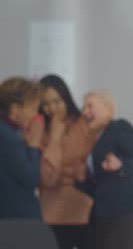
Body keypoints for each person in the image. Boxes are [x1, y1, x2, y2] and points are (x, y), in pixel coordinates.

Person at [82, 91, 133, 249]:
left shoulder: (119, 127)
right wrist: (81, 180)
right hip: (102, 215)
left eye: (90, 106)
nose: (85, 112)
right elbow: (100, 184)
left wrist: (121, 165)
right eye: (83, 107)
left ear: (108, 108)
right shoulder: (95, 139)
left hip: (124, 214)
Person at [38, 75, 95, 249]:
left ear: (66, 98)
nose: (52, 108)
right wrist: (55, 138)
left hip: (84, 207)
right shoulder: (39, 129)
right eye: (46, 104)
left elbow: (90, 166)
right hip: (51, 211)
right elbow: (47, 177)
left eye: (57, 101)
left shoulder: (84, 124)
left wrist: (64, 171)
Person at [0, 77, 44, 221]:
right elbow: (31, 179)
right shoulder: (7, 137)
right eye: (32, 108)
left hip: (12, 218)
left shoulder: (3, 131)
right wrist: (34, 144)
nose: (35, 115)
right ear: (15, 109)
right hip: (19, 220)